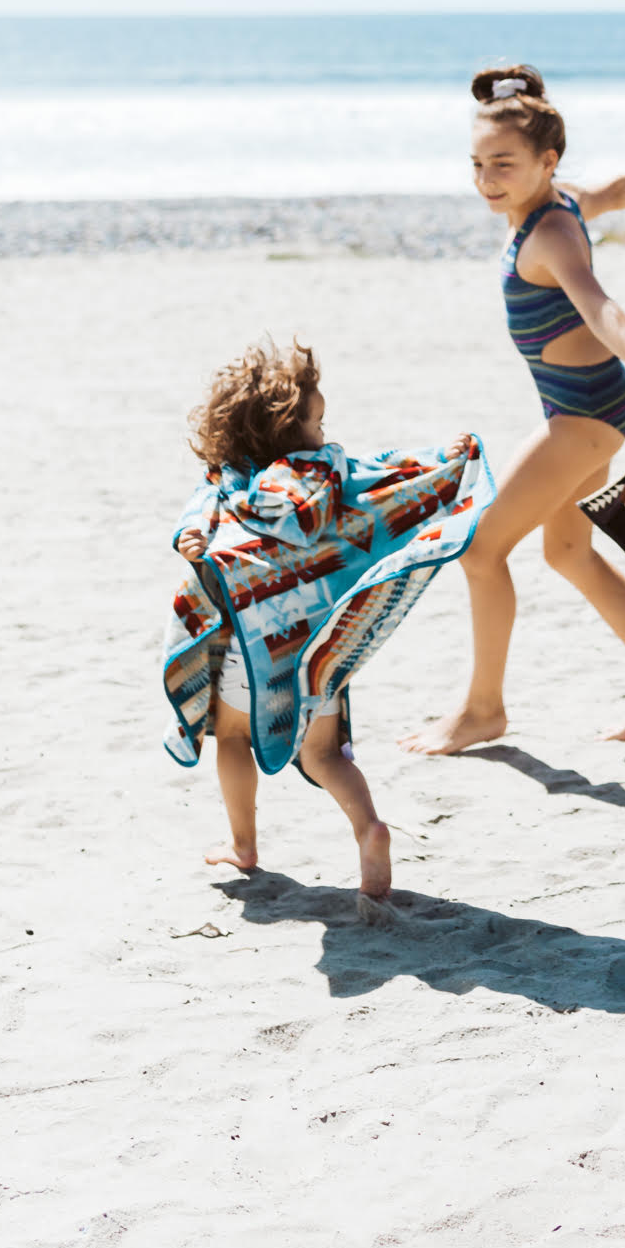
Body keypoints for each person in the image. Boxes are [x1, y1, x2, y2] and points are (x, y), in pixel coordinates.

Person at [403, 62, 625, 754]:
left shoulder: (550, 233)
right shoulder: (560, 199)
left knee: (480, 551)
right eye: (478, 163)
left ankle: (483, 710)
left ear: (545, 161)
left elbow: (597, 303)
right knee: (567, 551)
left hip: (582, 419)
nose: (487, 177)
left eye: (504, 164)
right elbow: (621, 189)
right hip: (590, 409)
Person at [175, 339, 393, 900]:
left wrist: (193, 542)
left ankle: (243, 845)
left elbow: (199, 525)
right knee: (323, 753)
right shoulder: (326, 478)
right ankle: (367, 827)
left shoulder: (230, 484)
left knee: (231, 736)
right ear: (284, 432)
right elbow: (380, 496)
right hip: (318, 649)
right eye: (316, 423)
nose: (324, 433)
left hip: (256, 651)